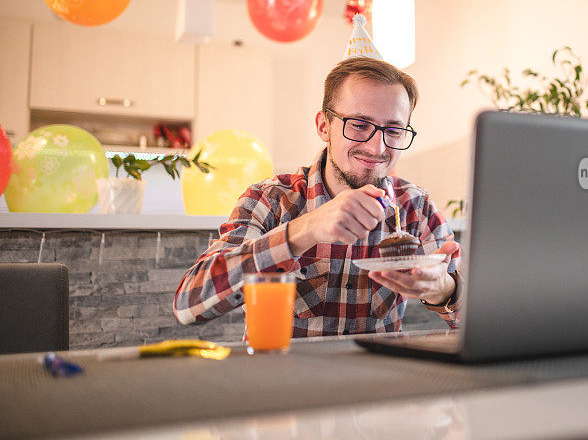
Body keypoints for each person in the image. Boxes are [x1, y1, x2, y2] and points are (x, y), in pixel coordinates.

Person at [173, 19, 462, 336]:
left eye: (393, 130)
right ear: (324, 126)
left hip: (376, 382)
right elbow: (189, 305)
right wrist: (302, 231)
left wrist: (444, 290)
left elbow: (483, 317)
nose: (377, 146)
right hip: (283, 380)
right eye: (359, 125)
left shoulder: (413, 207)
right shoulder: (270, 200)